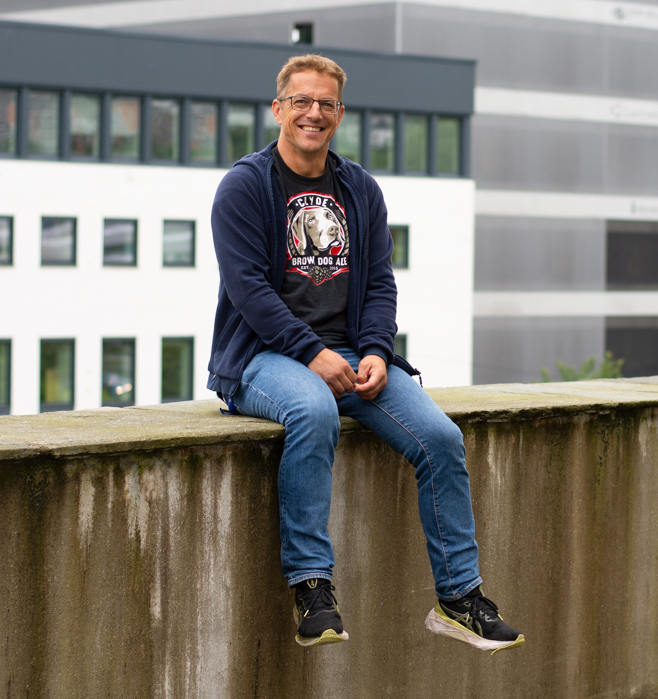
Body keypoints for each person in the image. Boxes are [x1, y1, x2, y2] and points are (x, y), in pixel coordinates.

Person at [208, 54, 524, 653]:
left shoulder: (358, 189)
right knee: (314, 411)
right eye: (301, 101)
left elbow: (379, 282)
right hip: (262, 358)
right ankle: (312, 586)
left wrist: (378, 350)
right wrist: (310, 353)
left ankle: (459, 598)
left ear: (340, 115)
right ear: (278, 109)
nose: (314, 113)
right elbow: (249, 289)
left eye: (326, 104)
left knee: (440, 437)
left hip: (352, 355)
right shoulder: (246, 186)